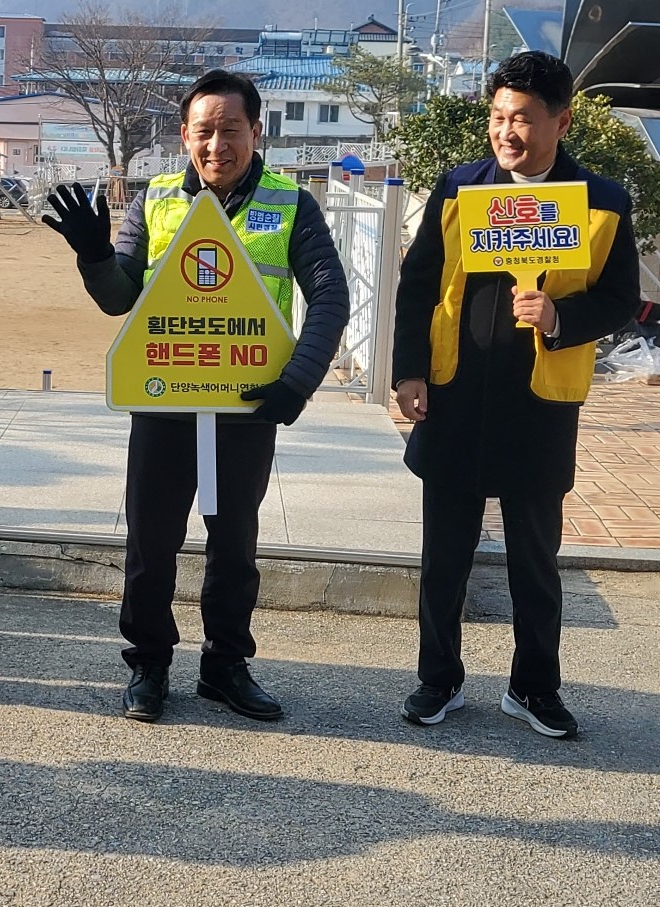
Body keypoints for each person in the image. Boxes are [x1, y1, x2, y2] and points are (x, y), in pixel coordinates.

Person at [43, 70, 349, 723]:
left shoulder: (291, 204)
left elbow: (331, 295)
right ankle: (148, 664)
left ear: (256, 131)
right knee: (150, 541)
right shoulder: (153, 199)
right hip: (165, 399)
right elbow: (119, 296)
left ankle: (225, 665)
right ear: (184, 135)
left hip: (247, 403)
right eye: (203, 131)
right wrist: (96, 256)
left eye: (230, 130)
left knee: (234, 541)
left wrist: (296, 383)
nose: (217, 144)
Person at [392, 51, 640, 739]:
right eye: (499, 117)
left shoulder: (602, 202)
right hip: (452, 395)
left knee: (536, 559)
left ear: (560, 122)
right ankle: (436, 679)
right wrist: (408, 372)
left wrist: (561, 318)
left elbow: (622, 297)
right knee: (444, 557)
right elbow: (417, 285)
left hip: (539, 402)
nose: (508, 132)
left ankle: (533, 687)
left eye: (524, 119)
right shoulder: (459, 187)